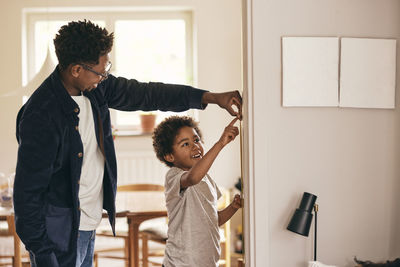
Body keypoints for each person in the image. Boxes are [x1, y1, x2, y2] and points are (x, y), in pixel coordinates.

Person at [13, 20, 242, 267]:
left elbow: (148, 93)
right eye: (101, 71)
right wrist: (44, 255)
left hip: (88, 223)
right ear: (76, 69)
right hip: (59, 235)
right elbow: (27, 197)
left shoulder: (95, 88)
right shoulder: (40, 115)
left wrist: (207, 97)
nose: (105, 77)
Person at [152, 115, 242, 267]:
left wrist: (233, 207)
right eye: (185, 144)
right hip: (180, 263)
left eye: (196, 140)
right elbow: (192, 178)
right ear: (169, 156)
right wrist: (220, 144)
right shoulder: (174, 176)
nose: (195, 146)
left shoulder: (207, 179)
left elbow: (214, 220)